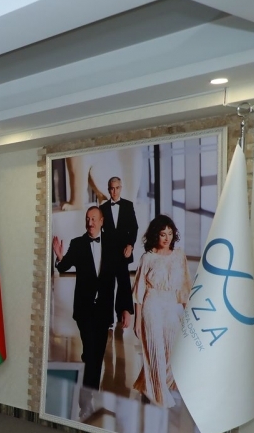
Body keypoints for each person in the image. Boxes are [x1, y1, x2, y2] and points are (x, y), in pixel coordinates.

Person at [52, 206, 132, 420]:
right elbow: (64, 266)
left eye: (94, 219)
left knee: (95, 356)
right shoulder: (78, 243)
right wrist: (59, 257)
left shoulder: (113, 245)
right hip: (84, 310)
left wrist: (126, 308)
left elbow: (123, 277)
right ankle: (85, 403)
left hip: (104, 310)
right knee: (91, 352)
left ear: (102, 221)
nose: (90, 223)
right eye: (88, 219)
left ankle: (88, 397)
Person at [132, 215, 191, 407]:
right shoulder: (148, 258)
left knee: (173, 352)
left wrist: (188, 315)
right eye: (163, 234)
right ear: (155, 235)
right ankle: (158, 395)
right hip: (152, 305)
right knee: (155, 350)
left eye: (170, 234)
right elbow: (139, 291)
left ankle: (147, 385)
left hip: (172, 306)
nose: (167, 238)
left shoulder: (179, 255)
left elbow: (184, 287)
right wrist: (137, 321)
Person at [99, 177, 139, 264]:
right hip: (108, 253)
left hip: (124, 252)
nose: (115, 191)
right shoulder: (103, 208)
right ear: (108, 190)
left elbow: (134, 227)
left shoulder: (128, 205)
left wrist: (130, 245)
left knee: (123, 273)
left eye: (117, 188)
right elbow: (99, 230)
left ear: (120, 188)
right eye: (112, 188)